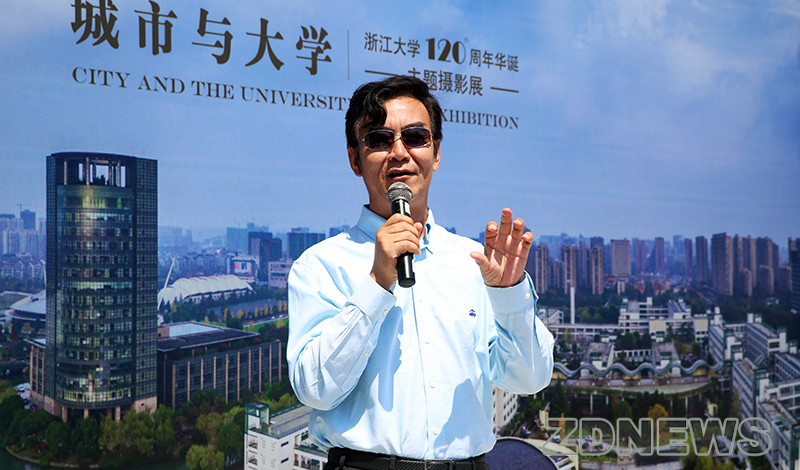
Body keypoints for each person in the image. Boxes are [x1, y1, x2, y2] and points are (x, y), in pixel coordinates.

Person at [287, 76, 554, 470]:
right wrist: (377, 283)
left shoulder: (473, 261)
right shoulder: (321, 265)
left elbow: (529, 380)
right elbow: (314, 389)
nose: (399, 153)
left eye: (415, 137)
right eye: (379, 139)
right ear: (355, 159)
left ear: (437, 152)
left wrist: (510, 294)